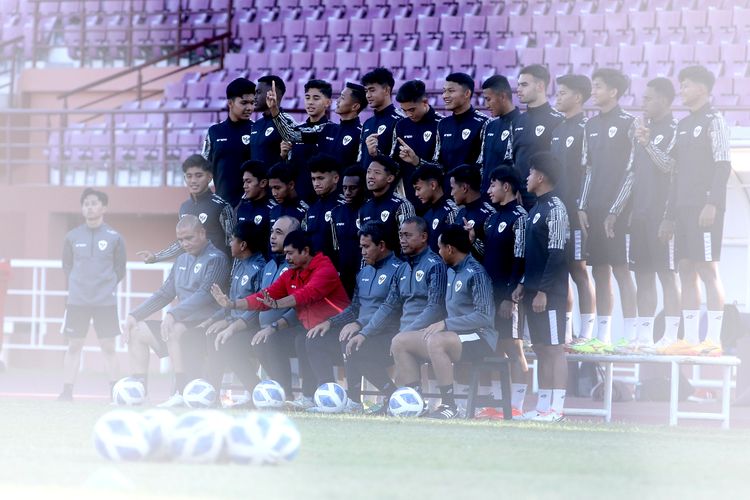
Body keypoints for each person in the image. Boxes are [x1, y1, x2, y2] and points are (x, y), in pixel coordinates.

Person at [213, 230, 351, 394]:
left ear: (305, 251)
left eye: (290, 253)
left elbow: (306, 294)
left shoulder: (325, 268)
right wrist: (232, 304)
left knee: (306, 340)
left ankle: (321, 395)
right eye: (285, 254)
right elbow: (264, 296)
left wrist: (276, 304)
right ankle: (283, 394)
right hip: (311, 330)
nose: (287, 259)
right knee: (268, 339)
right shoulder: (291, 273)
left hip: (338, 329)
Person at [658, 65, 731, 356]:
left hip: (705, 207)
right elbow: (669, 168)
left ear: (702, 88)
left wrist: (712, 203)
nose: (682, 90)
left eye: (686, 85)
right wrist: (669, 215)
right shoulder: (683, 125)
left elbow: (723, 164)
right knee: (686, 268)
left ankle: (713, 339)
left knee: (707, 268)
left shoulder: (716, 120)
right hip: (682, 208)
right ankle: (689, 338)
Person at [605, 77, 681, 353]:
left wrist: (648, 143)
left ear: (664, 100)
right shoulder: (642, 133)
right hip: (639, 215)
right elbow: (632, 175)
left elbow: (670, 167)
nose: (642, 103)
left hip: (663, 215)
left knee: (667, 274)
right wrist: (615, 210)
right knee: (644, 275)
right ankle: (645, 336)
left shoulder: (675, 130)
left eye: (648, 98)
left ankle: (672, 335)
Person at [123, 215, 230, 407]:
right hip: (180, 322)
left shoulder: (217, 259)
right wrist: (135, 314)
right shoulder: (181, 259)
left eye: (189, 238)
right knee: (136, 330)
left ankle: (180, 392)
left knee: (175, 328)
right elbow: (165, 293)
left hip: (204, 325)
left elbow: (205, 294)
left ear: (202, 233)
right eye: (180, 240)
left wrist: (173, 314)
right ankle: (139, 393)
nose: (185, 243)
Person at [392, 225, 497, 419]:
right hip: (454, 336)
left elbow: (484, 316)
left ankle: (449, 406)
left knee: (436, 341)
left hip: (481, 337)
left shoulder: (476, 273)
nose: (438, 252)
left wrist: (446, 324)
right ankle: (417, 403)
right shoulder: (449, 271)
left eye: (440, 248)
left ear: (450, 249)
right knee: (400, 341)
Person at [307, 222, 406, 412]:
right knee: (314, 339)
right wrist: (330, 322)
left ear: (382, 245)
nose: (362, 251)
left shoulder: (399, 270)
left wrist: (360, 324)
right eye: (361, 247)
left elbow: (391, 309)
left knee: (351, 343)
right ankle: (329, 399)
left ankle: (355, 402)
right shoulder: (364, 272)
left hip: (387, 335)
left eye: (367, 246)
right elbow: (354, 308)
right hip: (362, 332)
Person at [574, 68, 637, 353]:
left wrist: (615, 209)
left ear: (613, 91)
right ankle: (603, 335)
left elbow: (631, 172)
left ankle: (633, 335)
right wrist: (583, 205)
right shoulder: (590, 125)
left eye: (598, 86)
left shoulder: (629, 123)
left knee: (622, 270)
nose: (594, 91)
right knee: (599, 270)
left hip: (620, 211)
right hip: (595, 208)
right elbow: (587, 170)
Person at [512, 152, 569, 422]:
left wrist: (544, 291)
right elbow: (532, 254)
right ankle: (543, 406)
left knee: (555, 348)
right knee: (542, 348)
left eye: (531, 172)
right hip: (533, 292)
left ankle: (557, 409)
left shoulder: (556, 208)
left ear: (541, 176)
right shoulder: (536, 209)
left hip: (550, 294)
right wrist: (524, 284)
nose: (527, 178)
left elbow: (557, 254)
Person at [58, 188, 126, 401]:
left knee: (108, 346)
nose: (90, 207)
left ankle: (115, 393)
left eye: (94, 203)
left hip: (105, 301)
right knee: (73, 345)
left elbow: (119, 269)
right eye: (86, 203)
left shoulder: (115, 237)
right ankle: (67, 392)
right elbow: (66, 266)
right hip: (77, 301)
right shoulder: (72, 236)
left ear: (104, 207)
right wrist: (80, 285)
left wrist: (104, 286)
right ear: (82, 208)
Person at [474, 167, 528, 419]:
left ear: (506, 187)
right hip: (489, 297)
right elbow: (487, 254)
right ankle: (499, 403)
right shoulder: (492, 218)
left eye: (493, 185)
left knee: (514, 348)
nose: (488, 191)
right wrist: (473, 239)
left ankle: (517, 404)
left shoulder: (520, 217)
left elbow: (521, 257)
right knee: (494, 348)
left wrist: (509, 295)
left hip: (508, 296)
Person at [549, 74, 596, 344]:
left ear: (578, 97)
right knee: (561, 271)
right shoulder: (557, 131)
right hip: (558, 213)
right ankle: (566, 332)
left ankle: (588, 333)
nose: (558, 96)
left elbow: (589, 171)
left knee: (579, 269)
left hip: (577, 212)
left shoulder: (586, 128)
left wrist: (582, 205)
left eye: (563, 92)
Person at [200, 223, 265, 398]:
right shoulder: (238, 264)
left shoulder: (259, 268)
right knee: (210, 333)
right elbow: (230, 303)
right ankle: (210, 391)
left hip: (252, 327)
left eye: (231, 239)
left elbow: (258, 307)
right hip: (235, 324)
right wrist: (213, 319)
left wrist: (230, 325)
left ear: (243, 245)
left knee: (227, 344)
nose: (229, 243)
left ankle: (257, 392)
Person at [137, 155, 234, 263]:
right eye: (189, 176)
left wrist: (230, 276)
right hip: (191, 272)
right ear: (184, 178)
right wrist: (156, 257)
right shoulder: (184, 207)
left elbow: (233, 243)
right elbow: (182, 243)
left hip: (216, 270)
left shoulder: (222, 206)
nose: (193, 180)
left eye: (199, 176)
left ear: (209, 177)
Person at [398, 73, 489, 179]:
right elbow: (438, 167)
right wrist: (416, 161)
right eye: (444, 91)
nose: (444, 96)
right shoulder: (443, 124)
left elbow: (484, 166)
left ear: (467, 93)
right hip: (446, 193)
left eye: (451, 91)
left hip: (471, 194)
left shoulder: (485, 123)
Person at [267, 78, 339, 203]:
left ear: (328, 103)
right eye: (307, 98)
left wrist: (274, 110)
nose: (310, 102)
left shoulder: (334, 130)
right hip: (299, 200)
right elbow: (289, 170)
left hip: (327, 201)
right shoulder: (298, 130)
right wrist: (283, 156)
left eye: (316, 98)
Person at [505, 64, 565, 209]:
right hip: (518, 198)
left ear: (540, 86)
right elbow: (510, 158)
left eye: (524, 85)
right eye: (518, 85)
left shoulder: (558, 120)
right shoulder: (517, 121)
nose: (518, 90)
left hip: (546, 198)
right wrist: (514, 187)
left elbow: (560, 162)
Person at [201, 77, 256, 207]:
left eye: (252, 103)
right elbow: (203, 166)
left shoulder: (257, 131)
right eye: (244, 103)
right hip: (222, 206)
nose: (249, 108)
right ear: (230, 103)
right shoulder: (214, 132)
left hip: (249, 207)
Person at [391, 79, 443, 211]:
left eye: (412, 109)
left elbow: (443, 167)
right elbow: (394, 161)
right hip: (409, 197)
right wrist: (375, 153)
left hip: (437, 198)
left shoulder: (442, 124)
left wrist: (417, 161)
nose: (409, 114)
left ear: (425, 102)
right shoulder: (402, 125)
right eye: (404, 110)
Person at [358, 154, 416, 247]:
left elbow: (409, 244)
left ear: (390, 178)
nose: (370, 176)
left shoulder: (401, 205)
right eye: (369, 172)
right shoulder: (364, 208)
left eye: (377, 173)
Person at [478, 75, 519, 197]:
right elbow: (482, 163)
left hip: (507, 200)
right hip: (486, 198)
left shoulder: (522, 124)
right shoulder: (489, 125)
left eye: (488, 99)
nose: (486, 105)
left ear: (502, 96)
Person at [330, 165, 367, 297]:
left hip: (366, 274)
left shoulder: (369, 210)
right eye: (345, 188)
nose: (347, 192)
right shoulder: (336, 213)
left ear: (363, 187)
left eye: (352, 188)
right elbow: (336, 247)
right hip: (344, 276)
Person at [359, 67, 403, 169]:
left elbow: (400, 162)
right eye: (366, 91)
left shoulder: (400, 121)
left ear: (387, 90)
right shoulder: (367, 123)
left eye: (372, 90)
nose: (368, 95)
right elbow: (361, 159)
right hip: (365, 184)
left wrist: (376, 155)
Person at [450, 164, 496, 260]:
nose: (451, 193)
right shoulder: (461, 212)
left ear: (464, 188)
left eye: (453, 188)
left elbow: (493, 253)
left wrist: (473, 240)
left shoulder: (489, 214)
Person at [303, 154, 343, 260]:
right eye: (313, 179)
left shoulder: (343, 206)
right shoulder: (311, 209)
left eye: (320, 178)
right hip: (314, 270)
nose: (316, 183)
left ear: (335, 178)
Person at [413, 165, 459, 252]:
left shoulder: (451, 212)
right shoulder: (427, 214)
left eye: (418, 189)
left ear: (433, 185)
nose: (416, 194)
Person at [234, 160, 276, 254]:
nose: (245, 186)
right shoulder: (242, 208)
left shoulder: (273, 210)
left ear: (263, 183)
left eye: (248, 181)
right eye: (244, 181)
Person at [251, 75, 291, 166]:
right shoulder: (256, 125)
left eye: (258, 92)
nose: (255, 97)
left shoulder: (286, 123)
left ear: (274, 92)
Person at [331, 82, 367, 168]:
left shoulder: (361, 134)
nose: (337, 101)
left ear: (355, 106)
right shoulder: (329, 129)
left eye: (342, 98)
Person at [267, 162, 309, 227]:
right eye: (271, 188)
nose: (274, 193)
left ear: (291, 185)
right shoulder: (273, 211)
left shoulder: (306, 211)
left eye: (277, 188)